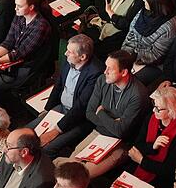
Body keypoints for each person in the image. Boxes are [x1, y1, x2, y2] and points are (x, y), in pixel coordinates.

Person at [60, 49, 149, 178]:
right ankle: (57, 163)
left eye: (110, 69)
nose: (104, 71)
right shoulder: (103, 80)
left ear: (124, 72)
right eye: (106, 67)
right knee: (72, 164)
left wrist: (101, 112)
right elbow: (89, 113)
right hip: (99, 133)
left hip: (121, 143)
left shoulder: (137, 95)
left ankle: (57, 163)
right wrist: (113, 122)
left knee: (82, 174)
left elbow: (121, 132)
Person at [28, 34, 103, 158]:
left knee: (45, 149)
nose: (65, 54)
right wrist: (47, 109)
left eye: (69, 52)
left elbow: (81, 107)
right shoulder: (70, 60)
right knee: (28, 132)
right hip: (62, 107)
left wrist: (56, 130)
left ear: (82, 57)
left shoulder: (96, 73)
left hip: (79, 118)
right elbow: (58, 85)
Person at [0, 0, 52, 105]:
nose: (15, 8)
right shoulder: (19, 17)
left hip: (25, 66)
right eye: (16, 5)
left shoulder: (41, 26)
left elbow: (20, 54)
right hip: (8, 59)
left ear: (31, 7)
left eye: (19, 6)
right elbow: (8, 42)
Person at [126, 85, 176, 188]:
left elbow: (169, 170)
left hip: (159, 178)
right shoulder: (152, 117)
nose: (154, 111)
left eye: (158, 109)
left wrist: (141, 160)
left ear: (171, 110)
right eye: (154, 106)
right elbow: (137, 146)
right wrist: (152, 147)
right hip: (140, 165)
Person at [122, 0, 176, 85]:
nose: (143, 0)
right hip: (133, 55)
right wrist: (126, 53)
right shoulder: (143, 11)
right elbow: (131, 33)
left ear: (155, 4)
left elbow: (156, 54)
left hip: (153, 64)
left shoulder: (170, 25)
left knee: (128, 81)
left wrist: (133, 57)